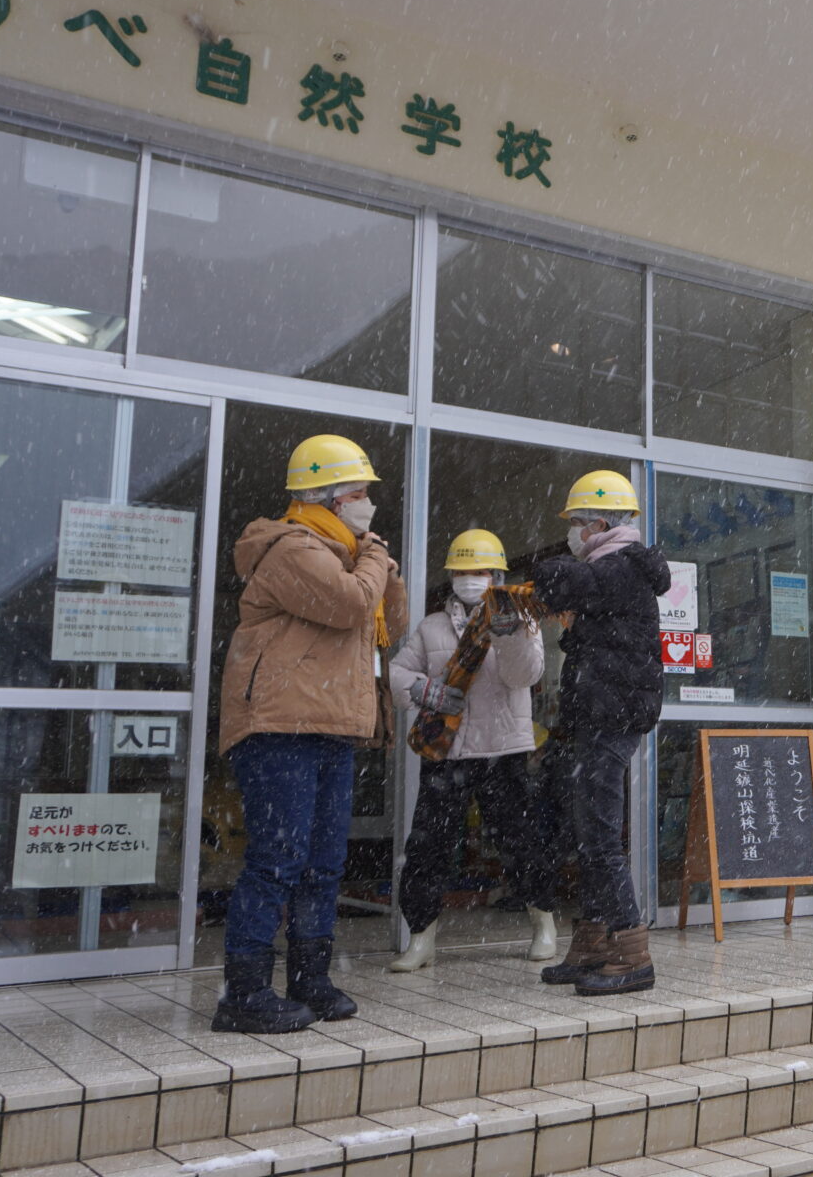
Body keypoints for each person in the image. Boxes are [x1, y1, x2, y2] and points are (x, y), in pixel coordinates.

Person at [213, 434, 406, 1034]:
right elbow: (350, 605)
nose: (368, 503)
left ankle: (309, 978)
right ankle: (244, 992)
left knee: (323, 863)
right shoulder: (291, 548)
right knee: (278, 859)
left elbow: (388, 623)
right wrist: (374, 558)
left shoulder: (349, 554)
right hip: (281, 726)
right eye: (360, 493)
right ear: (328, 497)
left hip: (331, 726)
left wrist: (380, 566)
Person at [387, 529, 559, 971]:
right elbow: (397, 674)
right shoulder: (431, 627)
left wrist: (509, 634)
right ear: (451, 577)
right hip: (447, 753)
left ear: (497, 576)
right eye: (463, 571)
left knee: (520, 842)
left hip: (504, 751)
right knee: (427, 847)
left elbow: (524, 677)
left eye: (480, 571)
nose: (471, 579)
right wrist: (427, 691)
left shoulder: (522, 618)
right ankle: (421, 938)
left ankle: (543, 922)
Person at [533, 469, 670, 995]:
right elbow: (593, 635)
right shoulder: (618, 570)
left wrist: (541, 571)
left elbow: (558, 581)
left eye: (576, 524)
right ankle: (593, 943)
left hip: (610, 719)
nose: (571, 533)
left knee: (600, 837)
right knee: (590, 833)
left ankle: (631, 953)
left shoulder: (620, 568)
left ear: (599, 525)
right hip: (600, 717)